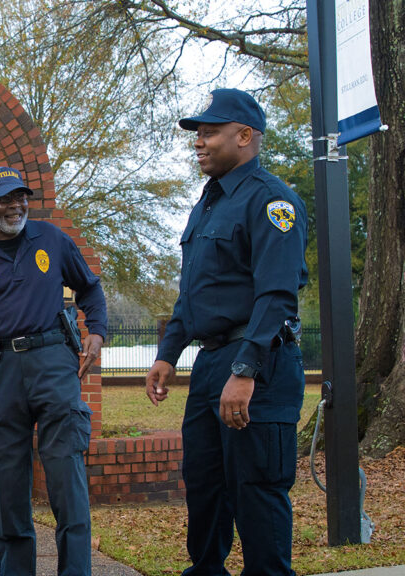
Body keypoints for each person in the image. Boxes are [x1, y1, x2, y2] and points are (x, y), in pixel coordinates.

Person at [145, 88, 308, 576]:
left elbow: (277, 296)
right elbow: (193, 292)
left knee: (255, 488)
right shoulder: (208, 205)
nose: (199, 141)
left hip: (259, 361)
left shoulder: (271, 200)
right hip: (212, 361)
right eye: (198, 133)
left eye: (210, 132)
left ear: (245, 136)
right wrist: (168, 352)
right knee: (206, 482)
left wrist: (245, 368)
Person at [0, 167, 107, 576]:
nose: (15, 206)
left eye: (21, 197)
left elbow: (90, 287)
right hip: (0, 374)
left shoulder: (51, 240)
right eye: (3, 199)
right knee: (9, 487)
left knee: (67, 480)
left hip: (54, 365)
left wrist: (98, 333)